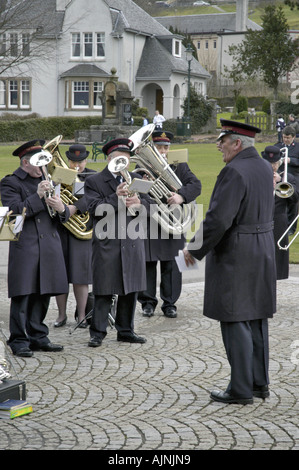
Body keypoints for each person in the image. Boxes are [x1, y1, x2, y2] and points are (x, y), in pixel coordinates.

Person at [183, 120, 277, 405]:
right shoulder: (262, 166)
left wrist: (194, 248)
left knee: (235, 318)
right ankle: (258, 383)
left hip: (237, 253)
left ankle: (240, 389)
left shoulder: (233, 171)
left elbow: (219, 219)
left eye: (223, 139)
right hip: (262, 248)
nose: (218, 144)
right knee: (256, 318)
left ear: (237, 143)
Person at [0, 139, 69, 357]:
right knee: (23, 293)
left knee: (43, 291)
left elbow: (63, 216)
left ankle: (38, 335)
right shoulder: (10, 182)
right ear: (26, 163)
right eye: (39, 164)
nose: (43, 169)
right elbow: (13, 213)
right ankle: (19, 339)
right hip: (26, 244)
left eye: (44, 163)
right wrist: (38, 195)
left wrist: (62, 208)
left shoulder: (49, 179)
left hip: (49, 243)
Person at [84, 138, 153, 347]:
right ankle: (97, 332)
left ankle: (126, 330)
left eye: (127, 159)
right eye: (119, 159)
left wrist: (140, 203)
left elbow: (151, 207)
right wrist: (116, 198)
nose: (124, 163)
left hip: (132, 241)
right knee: (104, 289)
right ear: (109, 159)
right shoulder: (94, 181)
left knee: (130, 289)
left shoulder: (136, 178)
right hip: (108, 242)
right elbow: (94, 209)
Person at [138, 130, 201, 318]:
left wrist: (181, 195)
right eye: (159, 147)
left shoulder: (179, 166)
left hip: (173, 222)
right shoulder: (142, 167)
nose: (163, 151)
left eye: (166, 147)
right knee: (147, 263)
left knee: (173, 265)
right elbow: (135, 190)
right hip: (150, 221)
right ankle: (147, 302)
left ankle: (170, 303)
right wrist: (145, 184)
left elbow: (196, 185)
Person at [54, 144, 96, 328]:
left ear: (86, 160)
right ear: (68, 160)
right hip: (61, 230)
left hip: (81, 230)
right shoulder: (59, 174)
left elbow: (93, 197)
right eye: (72, 161)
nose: (76, 165)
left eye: (80, 162)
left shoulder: (93, 176)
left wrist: (75, 207)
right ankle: (61, 315)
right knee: (60, 274)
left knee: (81, 275)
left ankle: (81, 316)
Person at [261, 145, 299, 280]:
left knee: (278, 258)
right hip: (261, 219)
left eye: (275, 163)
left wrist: (281, 183)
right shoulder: (257, 176)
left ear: (280, 163)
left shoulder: (287, 177)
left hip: (279, 220)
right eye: (269, 163)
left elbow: (294, 200)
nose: (273, 166)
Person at [275, 126, 299, 234]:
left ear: (293, 137)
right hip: (280, 177)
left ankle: (291, 228)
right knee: (280, 202)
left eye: (288, 138)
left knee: (293, 204)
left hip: (294, 178)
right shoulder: (277, 147)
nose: (285, 140)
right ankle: (280, 226)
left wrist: (290, 160)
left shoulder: (298, 148)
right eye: (284, 137)